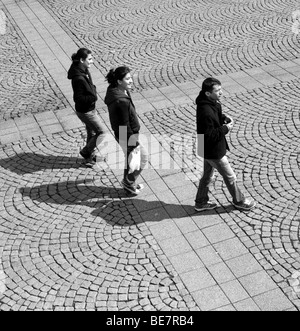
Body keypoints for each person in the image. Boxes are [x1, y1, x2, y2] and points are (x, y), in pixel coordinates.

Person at [195, 77, 256, 212]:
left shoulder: (208, 102)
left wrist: (223, 118)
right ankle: (239, 201)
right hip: (213, 150)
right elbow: (210, 134)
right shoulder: (206, 111)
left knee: (207, 176)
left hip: (205, 147)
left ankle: (200, 202)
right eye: (217, 90)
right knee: (230, 176)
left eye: (221, 89)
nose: (221, 93)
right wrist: (226, 128)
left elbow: (214, 117)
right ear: (208, 93)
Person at [104, 66, 148, 195]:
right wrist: (132, 143)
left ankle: (129, 183)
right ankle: (128, 182)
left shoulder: (117, 90)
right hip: (127, 135)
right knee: (143, 158)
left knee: (130, 159)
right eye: (127, 79)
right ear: (119, 81)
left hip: (125, 135)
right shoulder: (120, 100)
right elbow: (124, 125)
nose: (131, 81)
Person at [67, 48, 106, 167]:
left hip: (90, 109)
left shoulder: (84, 70)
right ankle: (86, 151)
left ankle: (90, 157)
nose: (92, 61)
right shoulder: (78, 78)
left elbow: (89, 86)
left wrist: (92, 89)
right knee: (102, 132)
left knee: (92, 132)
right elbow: (78, 98)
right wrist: (93, 96)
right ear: (81, 60)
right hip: (85, 111)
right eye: (89, 59)